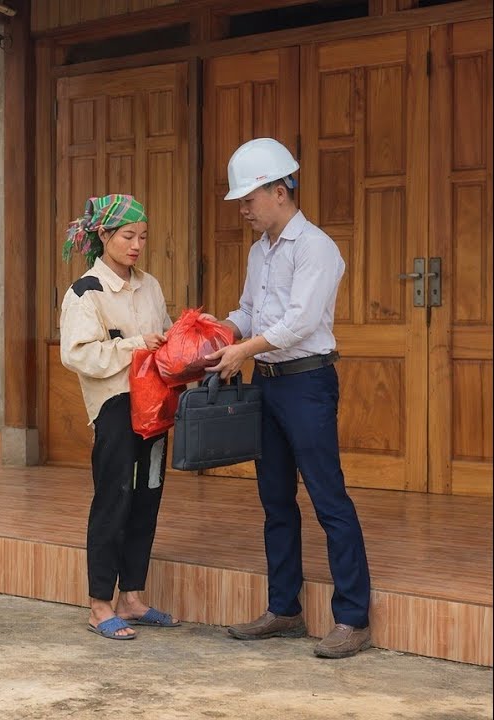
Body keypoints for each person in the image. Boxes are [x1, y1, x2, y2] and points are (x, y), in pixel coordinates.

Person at [203, 138, 372, 659]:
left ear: (280, 191)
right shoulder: (260, 251)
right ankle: (284, 609)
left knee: (328, 498)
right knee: (275, 499)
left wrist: (243, 349)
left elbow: (298, 322)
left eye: (249, 198)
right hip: (269, 382)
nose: (244, 209)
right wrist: (215, 330)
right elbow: (251, 311)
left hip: (307, 384)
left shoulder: (317, 247)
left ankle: (352, 618)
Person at [59, 194, 180, 641]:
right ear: (103, 235)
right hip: (115, 408)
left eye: (142, 237)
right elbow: (77, 355)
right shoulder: (85, 292)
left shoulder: (150, 285)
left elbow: (161, 334)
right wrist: (135, 346)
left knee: (148, 497)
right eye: (128, 236)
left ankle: (131, 597)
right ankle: (99, 605)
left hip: (155, 407)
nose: (136, 245)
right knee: (113, 500)